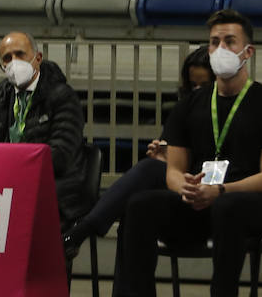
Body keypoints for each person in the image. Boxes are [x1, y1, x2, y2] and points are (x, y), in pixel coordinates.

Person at [99, 10, 262, 297]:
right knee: (142, 205)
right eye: (214, 41)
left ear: (248, 52)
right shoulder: (192, 104)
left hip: (254, 206)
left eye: (229, 41)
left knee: (228, 208)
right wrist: (185, 188)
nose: (220, 48)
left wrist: (219, 190)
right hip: (202, 201)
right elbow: (173, 169)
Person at [62, 47, 214, 262]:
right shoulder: (183, 112)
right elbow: (175, 165)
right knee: (137, 201)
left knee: (147, 175)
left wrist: (170, 164)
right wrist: (163, 156)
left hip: (211, 198)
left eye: (205, 86)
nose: (198, 91)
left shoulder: (229, 114)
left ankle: (79, 232)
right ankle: (130, 294)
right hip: (179, 191)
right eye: (193, 85)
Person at [0, 31, 91, 230]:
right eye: (7, 58)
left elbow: (61, 155)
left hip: (56, 185)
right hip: (7, 183)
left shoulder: (62, 97)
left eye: (20, 54)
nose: (14, 62)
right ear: (2, 66)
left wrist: (14, 169)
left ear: (37, 58)